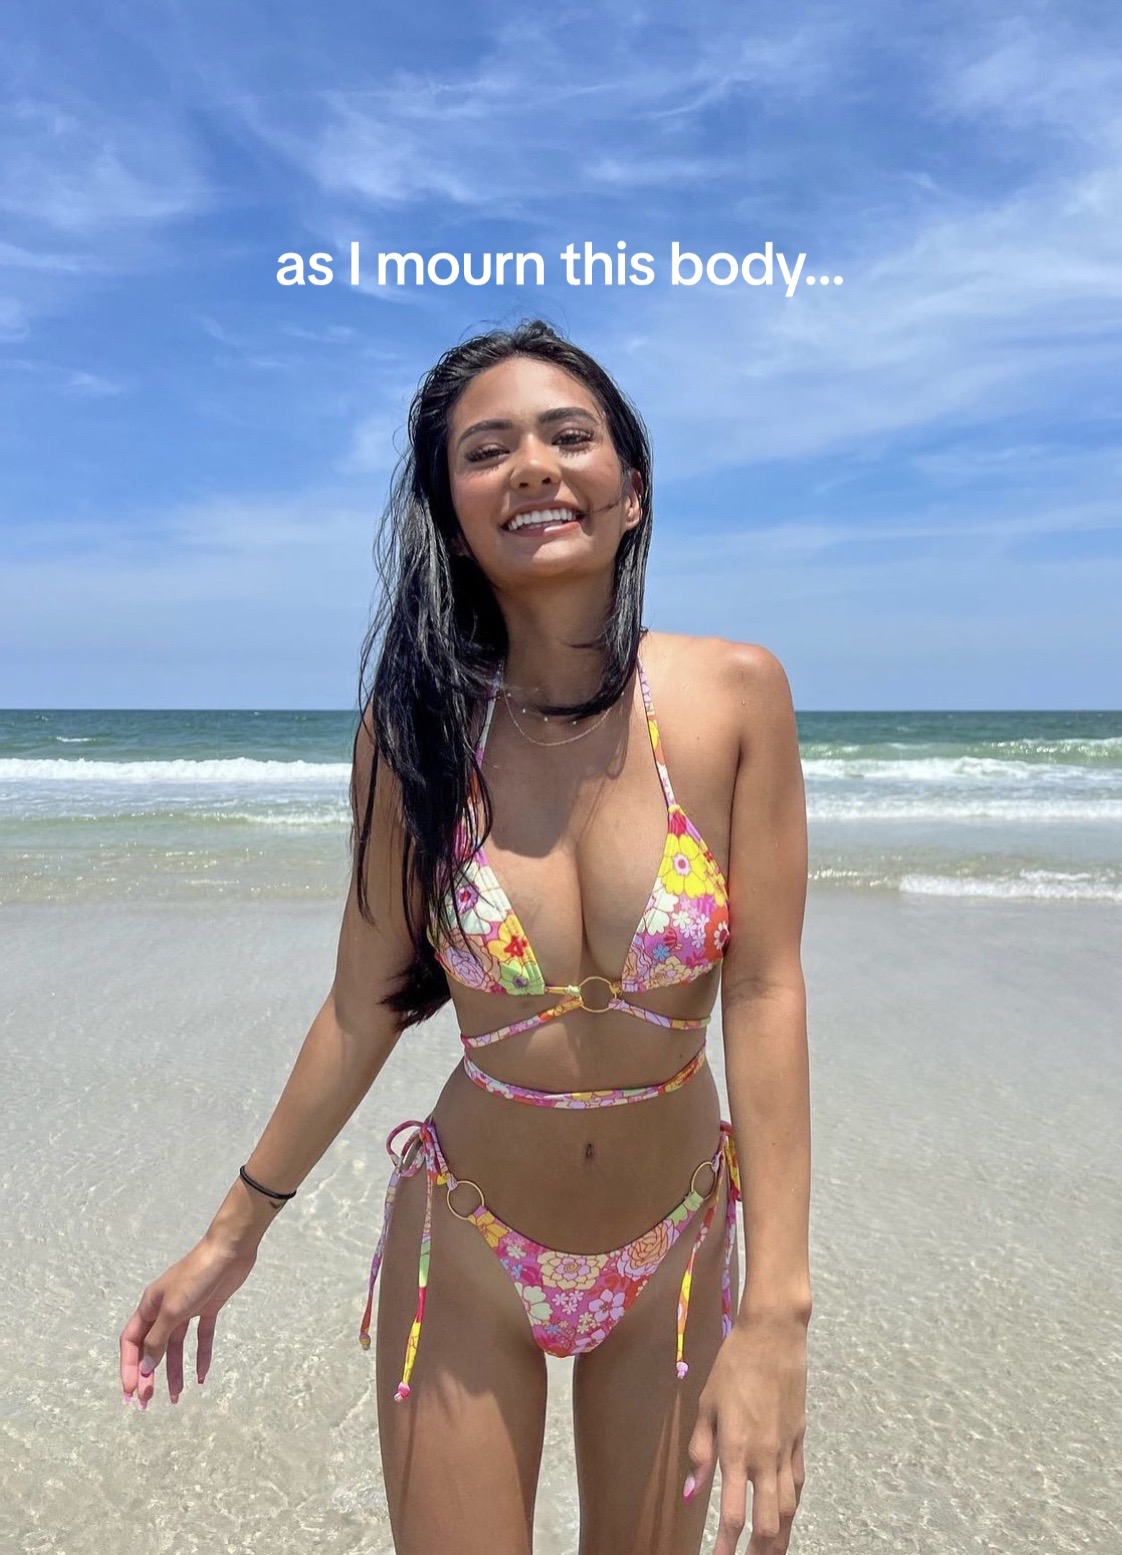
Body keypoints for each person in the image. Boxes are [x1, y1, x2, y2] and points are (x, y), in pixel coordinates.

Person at [119, 318, 812, 1555]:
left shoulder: (733, 696)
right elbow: (361, 1007)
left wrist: (776, 1315)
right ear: (451, 515)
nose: (534, 466)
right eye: (486, 451)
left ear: (633, 489)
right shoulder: (413, 733)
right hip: (467, 1244)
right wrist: (231, 1235)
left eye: (569, 436)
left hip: (679, 1247)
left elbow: (763, 990)